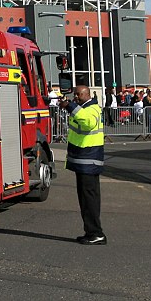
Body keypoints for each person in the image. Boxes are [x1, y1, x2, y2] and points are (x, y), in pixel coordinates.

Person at [59, 85, 107, 245]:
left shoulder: (92, 108)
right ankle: (91, 232)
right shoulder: (84, 108)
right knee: (86, 199)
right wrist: (69, 108)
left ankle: (96, 233)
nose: (76, 97)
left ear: (87, 95)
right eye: (75, 95)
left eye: (79, 95)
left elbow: (87, 122)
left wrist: (71, 106)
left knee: (89, 199)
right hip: (84, 161)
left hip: (89, 160)